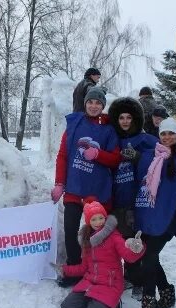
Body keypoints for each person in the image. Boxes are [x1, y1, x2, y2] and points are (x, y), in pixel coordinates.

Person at [52, 87, 121, 287]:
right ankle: (75, 270)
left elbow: (116, 159)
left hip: (96, 190)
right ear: (85, 103)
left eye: (98, 103)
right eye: (91, 102)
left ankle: (98, 271)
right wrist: (59, 183)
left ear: (102, 106)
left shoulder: (109, 129)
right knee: (71, 231)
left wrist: (99, 155)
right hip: (74, 187)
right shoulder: (74, 124)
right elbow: (63, 155)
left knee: (96, 235)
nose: (94, 106)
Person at [134, 117, 176, 308]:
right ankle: (167, 291)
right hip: (149, 213)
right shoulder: (151, 156)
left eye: (171, 133)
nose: (167, 137)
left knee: (149, 256)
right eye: (163, 133)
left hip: (169, 216)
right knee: (149, 256)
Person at [55, 202, 145, 308]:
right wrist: (65, 270)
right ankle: (94, 300)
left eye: (101, 218)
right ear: (88, 221)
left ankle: (115, 304)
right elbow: (83, 268)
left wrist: (137, 249)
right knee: (68, 307)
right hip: (90, 282)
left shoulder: (114, 237)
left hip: (110, 284)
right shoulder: (87, 240)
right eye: (94, 219)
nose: (98, 222)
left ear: (105, 218)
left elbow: (128, 256)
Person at [108, 97, 159, 301]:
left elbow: (160, 157)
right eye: (121, 117)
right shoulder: (113, 139)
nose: (125, 121)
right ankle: (130, 275)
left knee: (137, 242)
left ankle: (141, 281)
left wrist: (138, 157)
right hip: (116, 199)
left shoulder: (145, 139)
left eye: (129, 117)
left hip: (136, 201)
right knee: (122, 241)